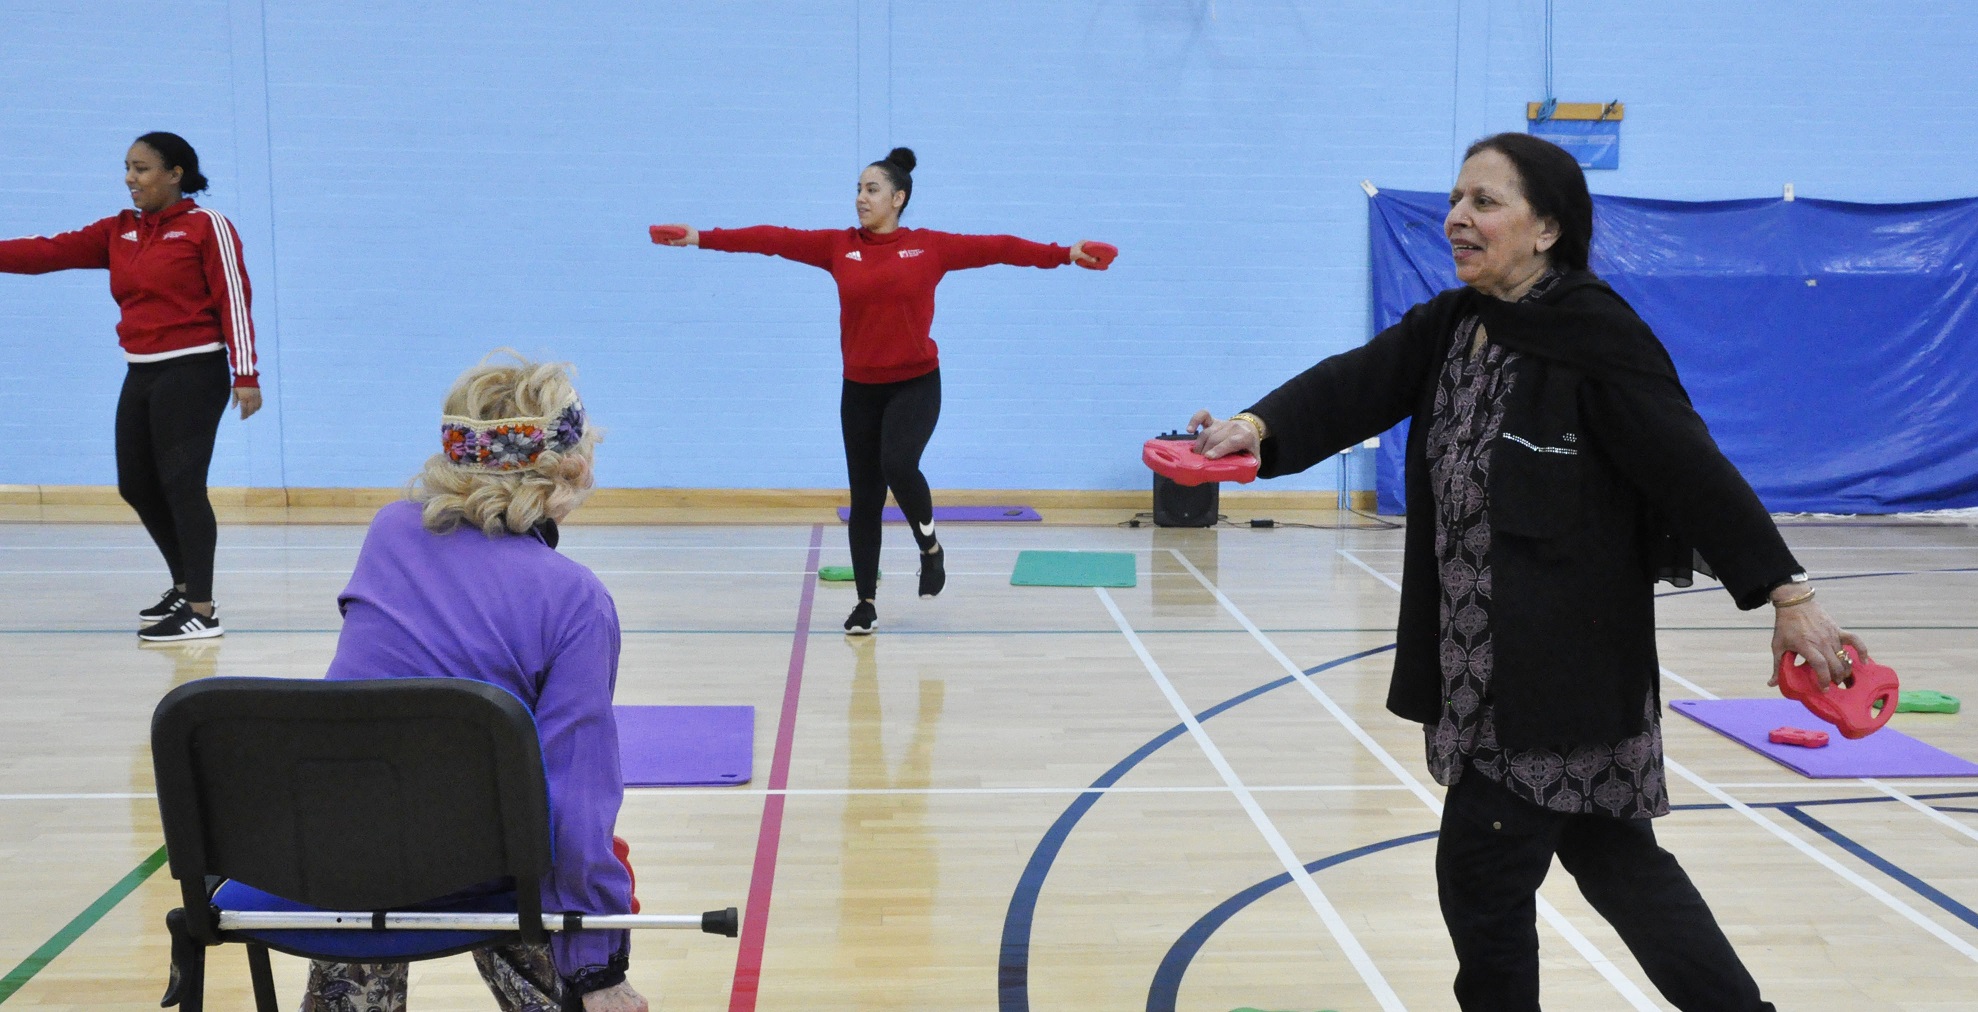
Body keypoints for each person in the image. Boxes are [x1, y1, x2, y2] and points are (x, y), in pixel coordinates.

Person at [1188, 133, 1861, 1012]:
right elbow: (1352, 383)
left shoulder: (1598, 338)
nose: (1457, 219)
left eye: (1485, 202)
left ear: (1546, 228)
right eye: (1456, 199)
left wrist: (1789, 594)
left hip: (1557, 680)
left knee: (1480, 880)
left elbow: (1692, 470)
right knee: (1619, 866)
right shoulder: (1457, 325)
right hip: (1483, 670)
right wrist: (1257, 425)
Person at [655, 147, 1109, 634]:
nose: (860, 198)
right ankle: (865, 603)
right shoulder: (838, 247)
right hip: (861, 390)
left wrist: (1064, 254)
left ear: (898, 197)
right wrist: (701, 238)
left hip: (916, 383)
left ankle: (930, 547)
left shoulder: (930, 247)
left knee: (898, 463)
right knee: (865, 499)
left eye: (871, 189)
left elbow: (999, 247)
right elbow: (773, 239)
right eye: (857, 189)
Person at [312, 354, 647, 1012]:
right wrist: (596, 966)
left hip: (332, 853)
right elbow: (574, 809)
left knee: (401, 819)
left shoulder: (389, 532)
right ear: (572, 467)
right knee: (521, 846)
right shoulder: (577, 600)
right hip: (472, 858)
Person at [0, 131, 260, 641]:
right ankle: (185, 585)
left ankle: (202, 612)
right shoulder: (119, 231)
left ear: (175, 173)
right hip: (141, 371)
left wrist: (245, 375)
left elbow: (235, 299)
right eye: (127, 168)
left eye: (141, 168)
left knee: (183, 487)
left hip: (194, 371)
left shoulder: (207, 227)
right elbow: (47, 252)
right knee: (136, 485)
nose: (129, 178)